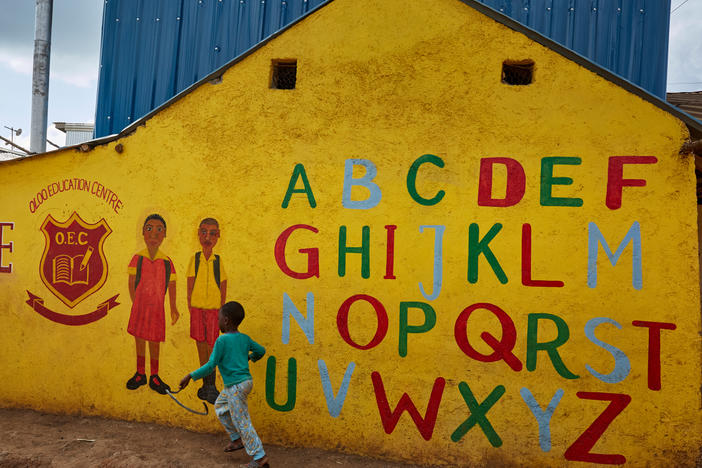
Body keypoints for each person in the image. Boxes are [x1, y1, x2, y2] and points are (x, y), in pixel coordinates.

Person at [179, 302, 269, 468]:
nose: (218, 321)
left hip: (236, 386)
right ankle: (236, 440)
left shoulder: (222, 340)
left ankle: (260, 458)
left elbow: (211, 365)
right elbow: (261, 351)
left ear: (226, 320)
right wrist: (249, 358)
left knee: (242, 421)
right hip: (242, 384)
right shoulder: (244, 338)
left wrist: (191, 376)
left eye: (219, 318)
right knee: (220, 406)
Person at [126, 214, 179, 394]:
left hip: (157, 309)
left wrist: (173, 307)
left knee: (155, 340)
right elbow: (131, 282)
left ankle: (154, 376)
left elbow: (172, 284)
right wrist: (136, 303)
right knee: (140, 338)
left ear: (164, 234)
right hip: (140, 307)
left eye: (159, 230)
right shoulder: (137, 258)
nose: (154, 234)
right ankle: (140, 373)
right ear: (142, 232)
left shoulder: (166, 261)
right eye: (149, 229)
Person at [186, 218, 228, 404]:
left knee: (212, 347)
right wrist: (190, 305)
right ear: (198, 233)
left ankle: (211, 386)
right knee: (200, 346)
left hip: (213, 311)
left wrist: (221, 310)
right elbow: (189, 283)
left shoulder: (218, 261)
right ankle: (205, 385)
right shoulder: (194, 259)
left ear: (218, 235)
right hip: (196, 309)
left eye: (212, 233)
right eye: (204, 232)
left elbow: (224, 285)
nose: (207, 237)